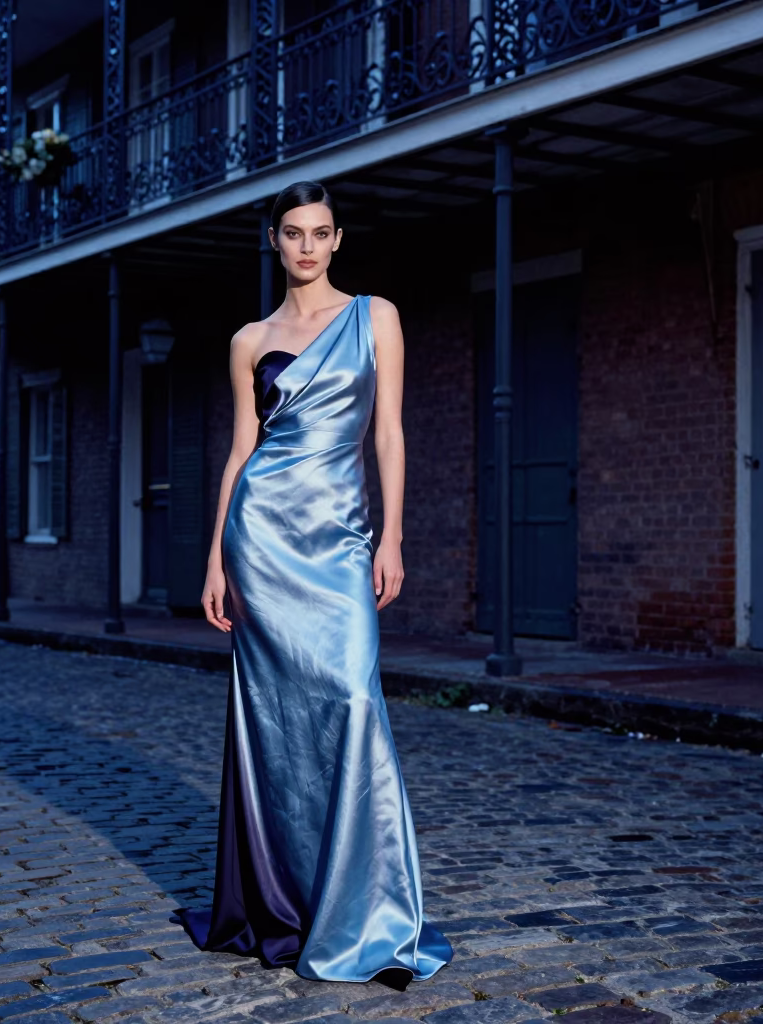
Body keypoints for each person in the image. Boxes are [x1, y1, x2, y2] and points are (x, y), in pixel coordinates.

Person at [173, 181, 453, 989]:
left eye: (320, 232)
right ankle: (287, 902)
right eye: (292, 232)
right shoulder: (248, 338)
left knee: (354, 701)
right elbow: (239, 452)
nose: (306, 246)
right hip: (261, 538)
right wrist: (216, 558)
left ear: (338, 240)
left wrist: (391, 535)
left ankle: (366, 910)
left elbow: (390, 433)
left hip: (337, 542)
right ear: (274, 241)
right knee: (275, 726)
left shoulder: (377, 317)